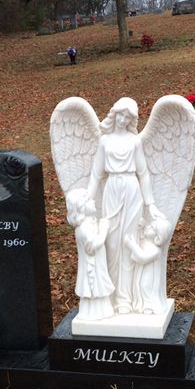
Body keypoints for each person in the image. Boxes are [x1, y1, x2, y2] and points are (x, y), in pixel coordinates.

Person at [84, 97, 164, 315]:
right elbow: (95, 175)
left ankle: (124, 299)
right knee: (111, 245)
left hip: (131, 190)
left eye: (128, 116)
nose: (123, 119)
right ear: (114, 113)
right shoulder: (104, 142)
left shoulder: (135, 141)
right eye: (121, 114)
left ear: (131, 119)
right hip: (111, 189)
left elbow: (144, 174)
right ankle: (109, 295)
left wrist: (151, 204)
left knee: (128, 243)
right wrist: (87, 202)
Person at [67, 190, 115, 320]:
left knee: (100, 284)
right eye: (89, 200)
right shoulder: (83, 228)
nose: (93, 201)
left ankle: (102, 310)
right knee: (94, 285)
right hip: (92, 264)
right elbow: (91, 247)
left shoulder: (90, 223)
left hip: (98, 261)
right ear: (81, 207)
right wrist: (104, 230)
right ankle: (93, 312)